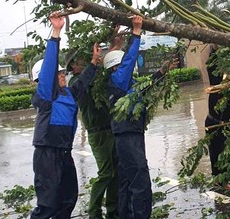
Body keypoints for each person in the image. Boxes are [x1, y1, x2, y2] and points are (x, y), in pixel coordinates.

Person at [104, 15, 177, 219]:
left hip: (130, 136)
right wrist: (136, 33)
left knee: (127, 181)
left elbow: (145, 88)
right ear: (116, 67)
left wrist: (162, 71)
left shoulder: (126, 85)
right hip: (127, 137)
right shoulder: (117, 80)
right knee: (140, 182)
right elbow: (128, 62)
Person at [30, 12, 101, 219]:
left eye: (63, 73)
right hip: (47, 154)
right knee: (48, 205)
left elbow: (82, 82)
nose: (63, 75)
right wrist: (56, 33)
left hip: (64, 153)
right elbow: (49, 67)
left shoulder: (68, 93)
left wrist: (94, 62)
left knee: (68, 200)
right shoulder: (46, 95)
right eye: (58, 74)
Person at [67, 49, 118, 219]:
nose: (83, 62)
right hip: (97, 134)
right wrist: (94, 62)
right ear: (73, 66)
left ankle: (113, 210)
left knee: (115, 172)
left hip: (110, 129)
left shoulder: (94, 77)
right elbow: (87, 79)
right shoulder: (76, 83)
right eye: (79, 61)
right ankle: (94, 212)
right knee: (105, 173)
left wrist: (113, 46)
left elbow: (104, 71)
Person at [204, 45, 230, 179]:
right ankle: (219, 182)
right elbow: (212, 62)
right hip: (215, 122)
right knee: (216, 155)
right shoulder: (214, 71)